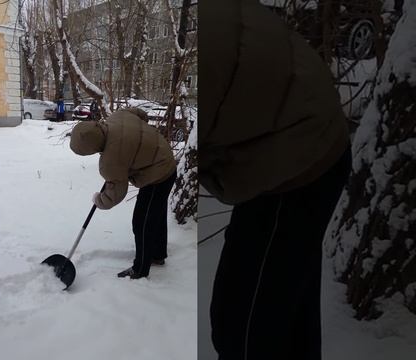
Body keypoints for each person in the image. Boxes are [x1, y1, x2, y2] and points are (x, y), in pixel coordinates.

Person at [199, 1, 352, 359]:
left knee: (244, 325)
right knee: (284, 304)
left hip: (296, 159)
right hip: (302, 133)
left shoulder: (201, 54)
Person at [69, 108, 177, 279]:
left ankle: (140, 269)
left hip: (158, 174)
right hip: (164, 157)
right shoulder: (117, 116)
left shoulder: (111, 161)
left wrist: (99, 199)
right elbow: (140, 114)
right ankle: (157, 254)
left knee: (142, 222)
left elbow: (116, 194)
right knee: (155, 213)